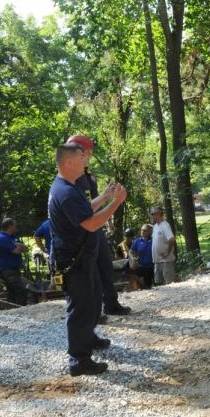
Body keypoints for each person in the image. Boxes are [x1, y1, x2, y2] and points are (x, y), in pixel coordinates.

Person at [48, 142, 127, 377]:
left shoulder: (68, 186)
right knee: (80, 308)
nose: (85, 164)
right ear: (70, 162)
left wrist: (103, 197)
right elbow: (91, 223)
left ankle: (88, 338)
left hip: (83, 258)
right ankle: (79, 359)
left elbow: (86, 211)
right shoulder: (66, 192)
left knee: (92, 302)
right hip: (75, 261)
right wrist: (116, 202)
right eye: (82, 159)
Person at [66, 135, 132, 318]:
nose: (91, 155)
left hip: (96, 227)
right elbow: (80, 210)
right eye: (88, 151)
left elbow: (90, 203)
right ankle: (91, 313)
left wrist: (105, 196)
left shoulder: (87, 175)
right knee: (88, 272)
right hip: (83, 231)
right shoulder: (72, 178)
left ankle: (110, 304)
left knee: (104, 266)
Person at [0, 218, 29, 306]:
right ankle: (21, 310)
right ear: (10, 226)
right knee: (21, 291)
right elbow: (16, 251)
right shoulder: (2, 238)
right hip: (7, 270)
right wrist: (18, 246)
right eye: (14, 225)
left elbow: (26, 248)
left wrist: (18, 246)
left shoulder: (13, 237)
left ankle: (12, 310)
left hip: (14, 270)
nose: (16, 227)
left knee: (12, 292)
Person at [150, 206, 176, 285]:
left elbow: (172, 240)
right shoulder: (155, 227)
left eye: (153, 214)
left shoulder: (165, 225)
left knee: (169, 284)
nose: (152, 216)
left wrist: (167, 253)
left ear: (159, 214)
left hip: (166, 261)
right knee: (159, 283)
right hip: (157, 261)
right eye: (151, 214)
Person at [130, 224, 154, 289]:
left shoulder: (153, 240)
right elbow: (131, 251)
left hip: (153, 266)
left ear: (149, 232)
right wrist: (133, 259)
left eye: (145, 230)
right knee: (130, 271)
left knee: (151, 285)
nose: (142, 232)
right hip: (142, 266)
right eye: (141, 230)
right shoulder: (138, 241)